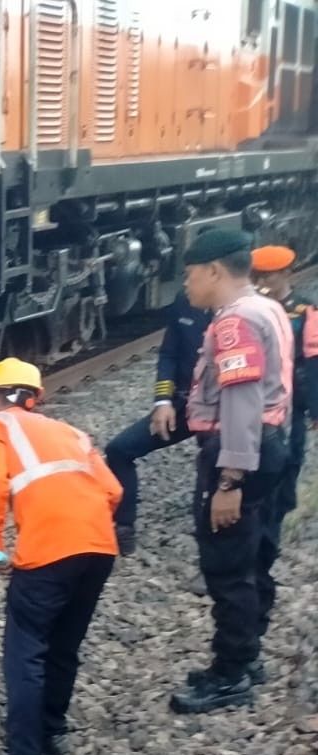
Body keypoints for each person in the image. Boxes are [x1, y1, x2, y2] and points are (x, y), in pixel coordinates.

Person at [0, 358, 122, 755]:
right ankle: (52, 732)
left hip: (50, 551)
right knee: (63, 645)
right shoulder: (70, 431)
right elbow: (113, 490)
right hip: (99, 547)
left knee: (25, 654)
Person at [169, 228, 292, 715]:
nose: (186, 285)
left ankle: (231, 673)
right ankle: (247, 656)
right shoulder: (268, 308)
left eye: (189, 274)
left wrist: (228, 481)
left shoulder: (233, 323)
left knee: (227, 567)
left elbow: (241, 401)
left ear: (214, 270)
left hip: (239, 450)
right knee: (252, 554)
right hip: (270, 445)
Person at [103, 292, 211, 554]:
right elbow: (169, 354)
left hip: (219, 409)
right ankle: (123, 527)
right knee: (119, 449)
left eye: (191, 274)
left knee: (211, 471)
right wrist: (162, 401)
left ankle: (210, 551)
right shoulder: (185, 301)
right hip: (182, 405)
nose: (186, 283)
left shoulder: (242, 310)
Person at [250, 244, 318, 538]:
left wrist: (316, 406)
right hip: (259, 393)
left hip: (295, 396)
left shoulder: (305, 309)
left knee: (291, 453)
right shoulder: (252, 306)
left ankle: (281, 510)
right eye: (259, 275)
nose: (263, 282)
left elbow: (313, 357)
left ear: (287, 273)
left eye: (270, 275)